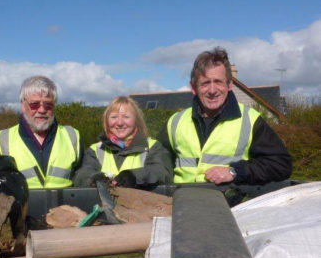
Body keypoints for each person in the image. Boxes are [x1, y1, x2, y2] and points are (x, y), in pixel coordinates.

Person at [157, 47, 292, 185]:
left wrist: (235, 172)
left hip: (231, 204)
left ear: (229, 85)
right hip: (182, 203)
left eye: (218, 82)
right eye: (205, 83)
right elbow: (157, 163)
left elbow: (281, 164)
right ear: (193, 88)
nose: (212, 90)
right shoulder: (175, 122)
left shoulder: (250, 120)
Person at [0, 76, 82, 189]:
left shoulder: (72, 136)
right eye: (34, 104)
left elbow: (82, 177)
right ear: (23, 105)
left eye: (48, 105)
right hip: (21, 206)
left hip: (65, 205)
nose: (42, 110)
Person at [73, 96, 173, 188]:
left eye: (126, 116)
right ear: (106, 121)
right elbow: (82, 174)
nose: (120, 122)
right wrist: (94, 179)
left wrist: (134, 177)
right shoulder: (95, 150)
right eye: (114, 117)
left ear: (136, 120)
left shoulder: (153, 147)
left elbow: (162, 172)